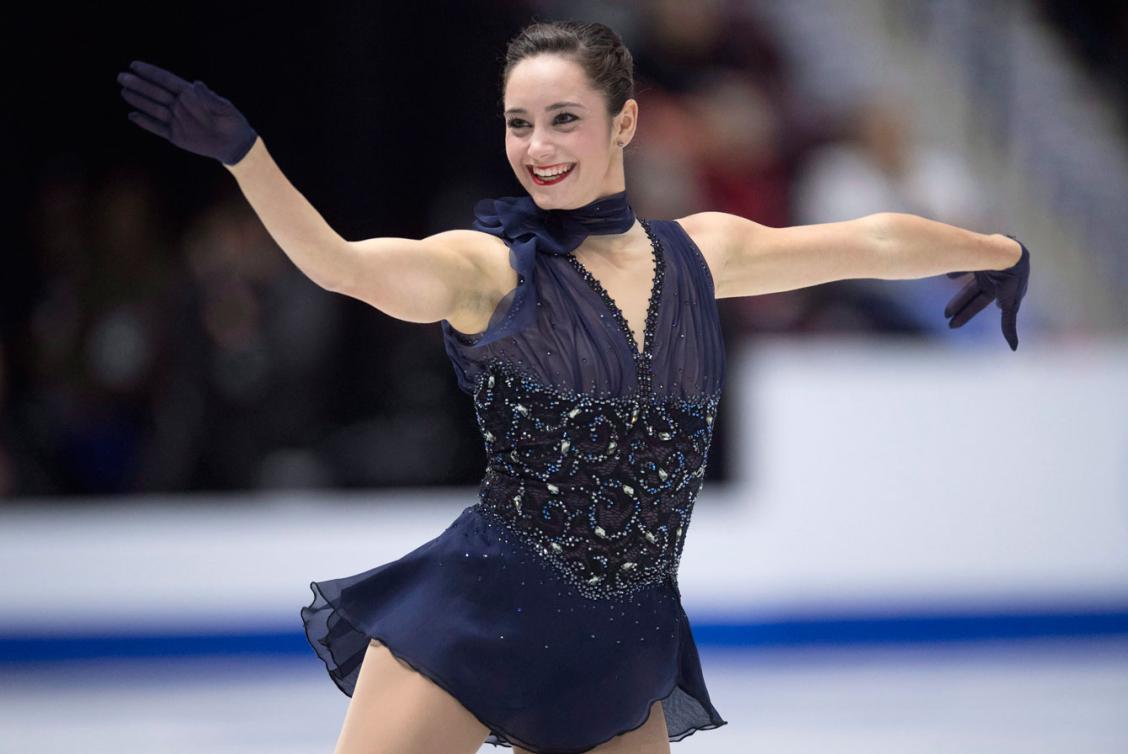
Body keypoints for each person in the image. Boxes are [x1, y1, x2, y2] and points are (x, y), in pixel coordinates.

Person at [117, 18, 1031, 754]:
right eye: (519, 122)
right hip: (478, 616)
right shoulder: (490, 271)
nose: (538, 146)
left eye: (564, 119)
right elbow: (342, 267)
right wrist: (247, 157)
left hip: (625, 643)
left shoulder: (702, 253)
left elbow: (870, 242)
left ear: (624, 123)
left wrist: (999, 251)